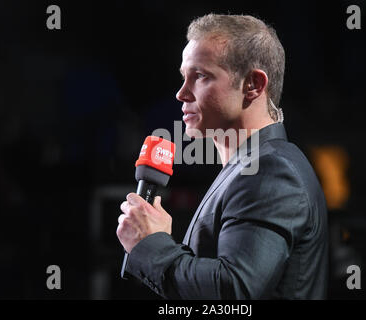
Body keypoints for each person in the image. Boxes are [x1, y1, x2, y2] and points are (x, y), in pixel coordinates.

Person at [117, 14, 328, 299]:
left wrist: (152, 246)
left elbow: (233, 291)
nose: (181, 93)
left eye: (200, 76)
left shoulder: (271, 171)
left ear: (253, 84)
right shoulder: (250, 167)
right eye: (184, 77)